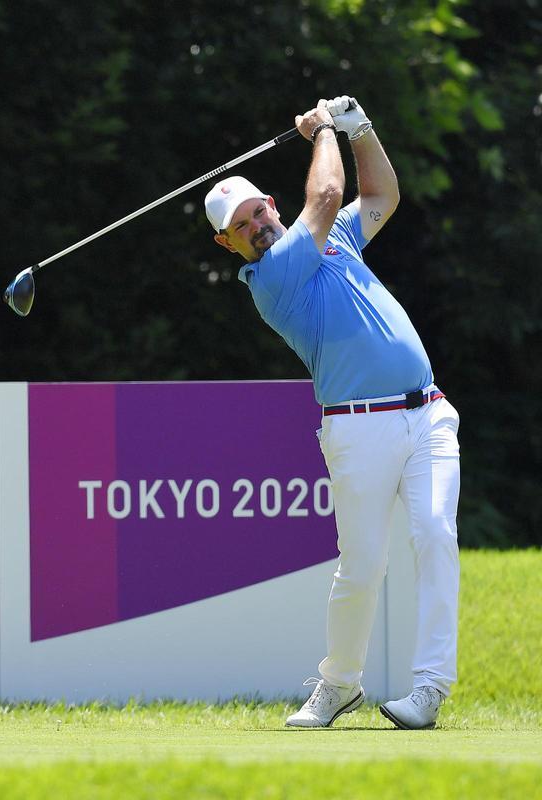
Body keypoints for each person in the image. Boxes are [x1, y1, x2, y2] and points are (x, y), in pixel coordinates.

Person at [203, 97, 461, 730]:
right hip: (356, 427)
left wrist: (360, 128)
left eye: (259, 208)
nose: (259, 223)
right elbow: (325, 194)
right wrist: (321, 130)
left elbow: (380, 194)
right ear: (228, 243)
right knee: (364, 565)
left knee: (435, 536)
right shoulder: (273, 277)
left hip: (428, 414)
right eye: (243, 224)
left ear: (269, 199)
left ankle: (430, 687)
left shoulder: (337, 238)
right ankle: (338, 683)